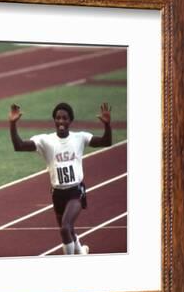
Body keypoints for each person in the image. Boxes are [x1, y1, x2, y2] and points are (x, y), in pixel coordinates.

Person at [8, 102, 112, 255]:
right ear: (54, 120)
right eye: (58, 118)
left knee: (65, 228)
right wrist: (12, 124)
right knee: (68, 229)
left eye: (65, 118)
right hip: (57, 193)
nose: (61, 121)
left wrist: (107, 126)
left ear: (70, 121)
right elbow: (19, 146)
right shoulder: (46, 140)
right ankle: (81, 251)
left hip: (75, 191)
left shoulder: (80, 138)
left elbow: (106, 142)